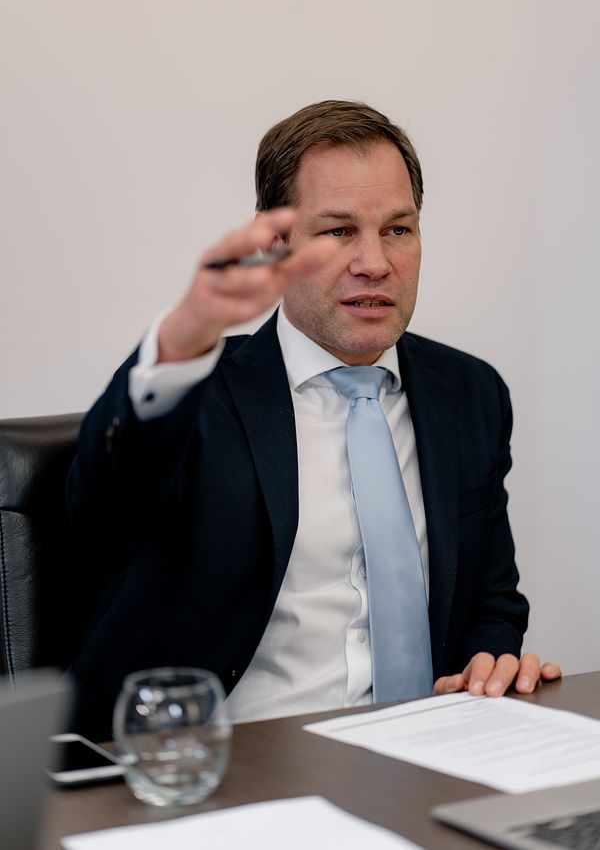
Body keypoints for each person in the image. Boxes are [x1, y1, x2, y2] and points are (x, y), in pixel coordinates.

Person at [67, 100, 560, 738]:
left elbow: (491, 600)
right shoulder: (196, 395)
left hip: (426, 758)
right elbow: (103, 502)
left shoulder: (470, 393)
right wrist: (181, 341)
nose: (374, 263)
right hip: (233, 765)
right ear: (276, 243)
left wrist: (488, 665)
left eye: (398, 230)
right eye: (338, 231)